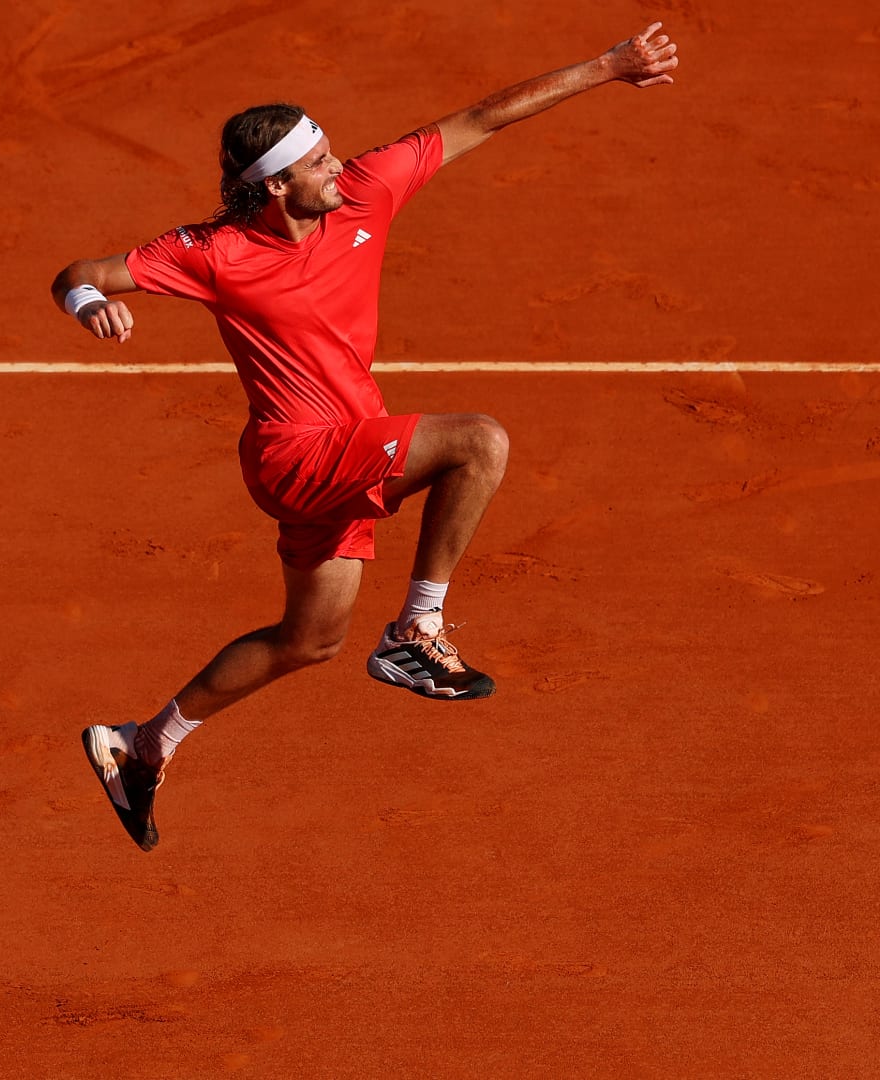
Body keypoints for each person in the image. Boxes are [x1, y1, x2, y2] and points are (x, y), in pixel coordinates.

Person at [58, 25, 680, 851]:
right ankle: (417, 631)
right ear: (276, 187)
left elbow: (481, 120)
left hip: (345, 451)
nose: (336, 169)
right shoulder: (212, 253)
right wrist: (89, 304)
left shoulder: (362, 193)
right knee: (478, 442)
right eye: (317, 164)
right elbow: (78, 273)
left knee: (307, 641)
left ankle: (142, 747)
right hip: (296, 456)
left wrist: (608, 68)